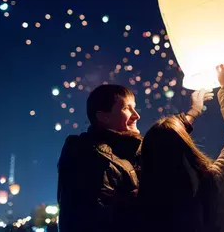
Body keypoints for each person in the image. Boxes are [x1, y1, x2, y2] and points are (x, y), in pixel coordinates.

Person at [57, 84, 213, 232]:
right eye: (126, 108)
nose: (136, 115)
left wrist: (193, 112)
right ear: (103, 117)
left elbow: (163, 140)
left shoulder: (125, 151)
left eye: (134, 107)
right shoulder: (90, 159)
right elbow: (96, 219)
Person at [138, 65, 224, 232]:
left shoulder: (140, 204)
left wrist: (192, 112)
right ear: (186, 146)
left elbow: (162, 142)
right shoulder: (214, 183)